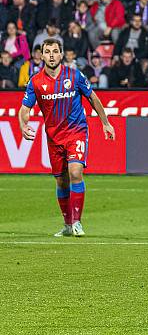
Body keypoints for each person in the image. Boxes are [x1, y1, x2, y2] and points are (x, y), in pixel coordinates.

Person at [17, 38, 115, 237]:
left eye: (55, 51)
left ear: (61, 54)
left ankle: (78, 222)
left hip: (76, 131)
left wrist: (106, 122)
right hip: (54, 137)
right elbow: (24, 109)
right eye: (47, 51)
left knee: (75, 172)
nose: (51, 55)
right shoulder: (35, 82)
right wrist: (23, 125)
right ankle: (68, 224)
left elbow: (92, 97)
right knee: (61, 181)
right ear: (41, 55)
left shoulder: (75, 75)